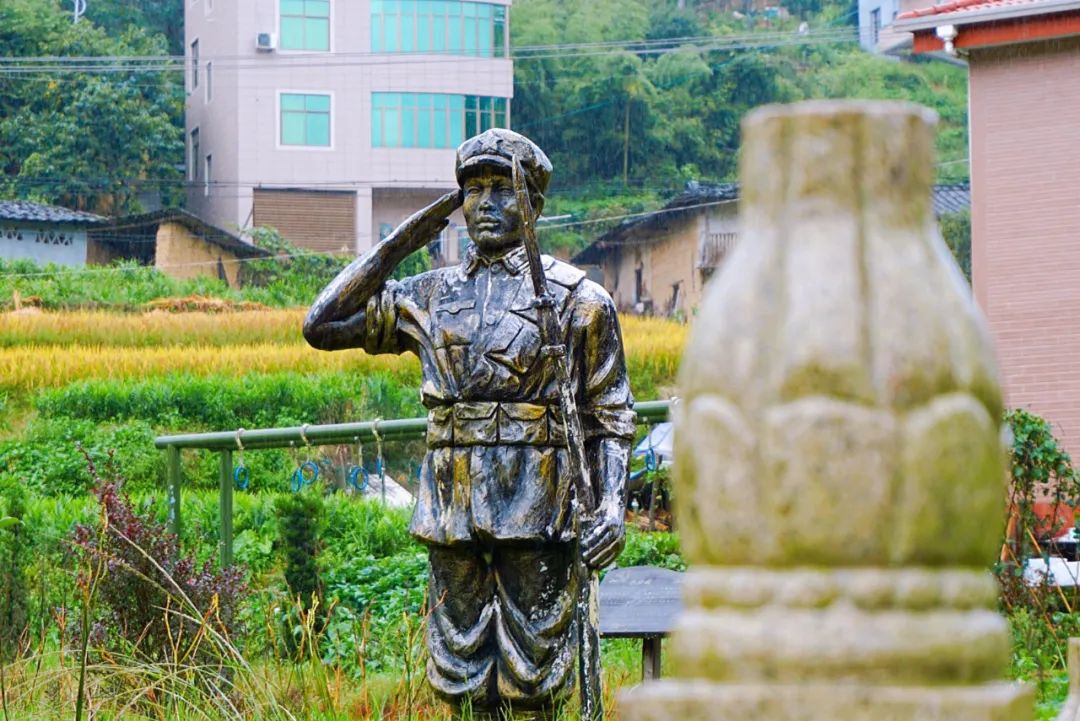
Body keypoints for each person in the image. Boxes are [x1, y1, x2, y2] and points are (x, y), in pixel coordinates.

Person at [304, 128, 634, 716]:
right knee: (458, 673)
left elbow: (609, 415)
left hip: (539, 505)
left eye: (503, 188)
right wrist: (398, 245)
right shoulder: (431, 294)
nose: (486, 204)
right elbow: (322, 324)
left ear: (533, 201)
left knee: (535, 674)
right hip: (452, 505)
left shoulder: (578, 300)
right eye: (473, 190)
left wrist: (610, 505)